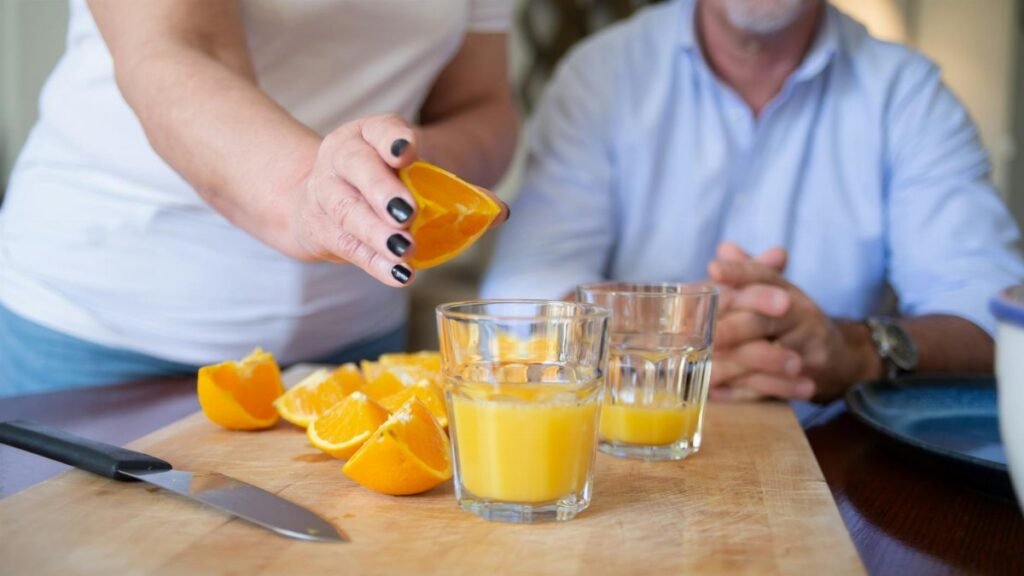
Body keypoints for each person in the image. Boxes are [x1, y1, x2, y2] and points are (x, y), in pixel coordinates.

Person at [481, 0, 1024, 402]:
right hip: (621, 457)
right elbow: (519, 298)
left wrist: (857, 349)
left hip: (844, 466)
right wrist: (666, 326)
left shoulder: (908, 95)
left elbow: (995, 318)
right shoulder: (597, 75)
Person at [0, 0, 516, 397]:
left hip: (352, 341)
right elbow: (176, 50)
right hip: (93, 337)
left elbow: (479, 100)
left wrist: (387, 176)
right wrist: (314, 196)